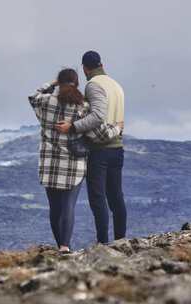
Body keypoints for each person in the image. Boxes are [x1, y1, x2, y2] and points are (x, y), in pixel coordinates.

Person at [55, 51, 126, 244]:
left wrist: (73, 126)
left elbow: (97, 116)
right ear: (101, 63)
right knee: (116, 197)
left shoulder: (94, 85)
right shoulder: (116, 86)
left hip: (99, 149)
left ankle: (102, 243)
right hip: (117, 147)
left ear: (85, 68)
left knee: (97, 199)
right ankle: (121, 240)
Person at [28, 68, 86, 253]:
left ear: (59, 83)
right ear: (76, 83)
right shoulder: (82, 106)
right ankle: (65, 246)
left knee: (54, 208)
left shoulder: (45, 102)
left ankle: (59, 244)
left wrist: (51, 84)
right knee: (69, 205)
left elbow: (33, 96)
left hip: (50, 164)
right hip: (73, 164)